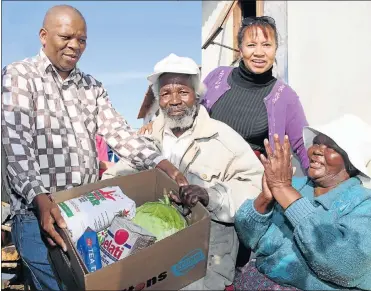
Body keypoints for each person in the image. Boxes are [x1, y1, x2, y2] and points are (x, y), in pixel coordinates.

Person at [1, 5, 187, 290]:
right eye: (66, 37)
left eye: (82, 40)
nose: (75, 46)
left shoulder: (91, 86)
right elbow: (16, 145)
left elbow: (119, 132)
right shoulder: (19, 76)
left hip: (85, 213)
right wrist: (40, 200)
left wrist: (163, 165)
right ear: (43, 35)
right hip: (36, 214)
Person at [103, 53, 264, 290]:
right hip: (149, 266)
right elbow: (114, 180)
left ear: (196, 96)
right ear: (159, 99)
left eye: (183, 92)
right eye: (166, 93)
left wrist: (211, 195)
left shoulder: (224, 139)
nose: (175, 100)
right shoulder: (146, 142)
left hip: (203, 266)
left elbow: (255, 190)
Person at [139, 16, 309, 172]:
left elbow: (303, 145)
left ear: (275, 49)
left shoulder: (285, 96)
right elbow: (188, 107)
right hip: (201, 174)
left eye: (266, 45)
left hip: (247, 183)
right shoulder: (218, 76)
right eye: (251, 45)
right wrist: (156, 124)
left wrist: (324, 182)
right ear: (240, 50)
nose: (259, 53)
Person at [234, 114, 371, 290]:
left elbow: (349, 266)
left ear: (351, 164)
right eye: (317, 142)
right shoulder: (295, 186)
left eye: (330, 146)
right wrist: (265, 199)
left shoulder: (363, 204)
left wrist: (287, 194)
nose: (317, 150)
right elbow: (250, 237)